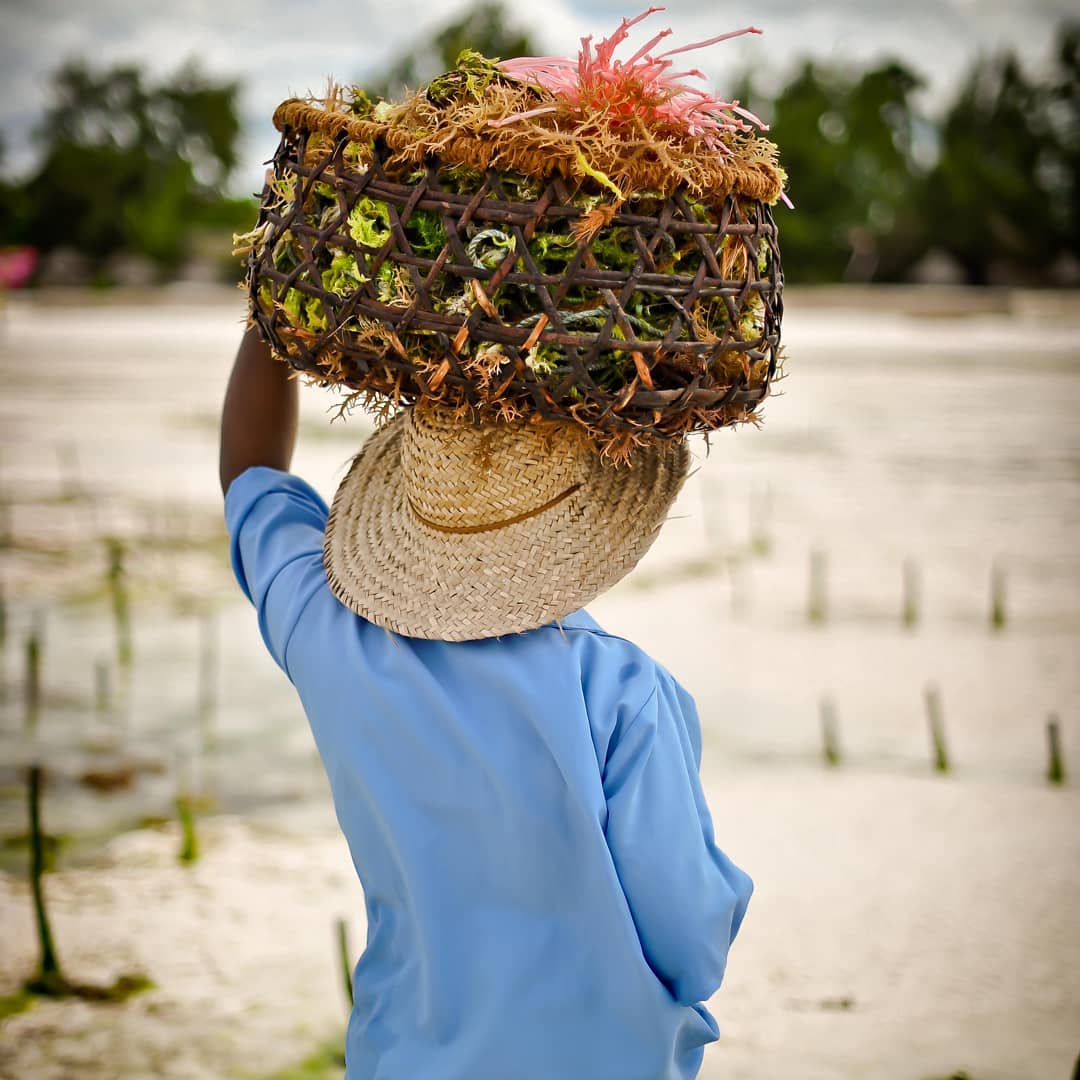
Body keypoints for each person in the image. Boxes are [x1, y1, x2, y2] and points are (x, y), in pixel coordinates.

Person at [220, 325, 754, 1080]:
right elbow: (690, 938)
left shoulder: (327, 635)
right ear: (585, 525)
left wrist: (269, 314)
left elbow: (250, 477)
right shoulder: (620, 688)